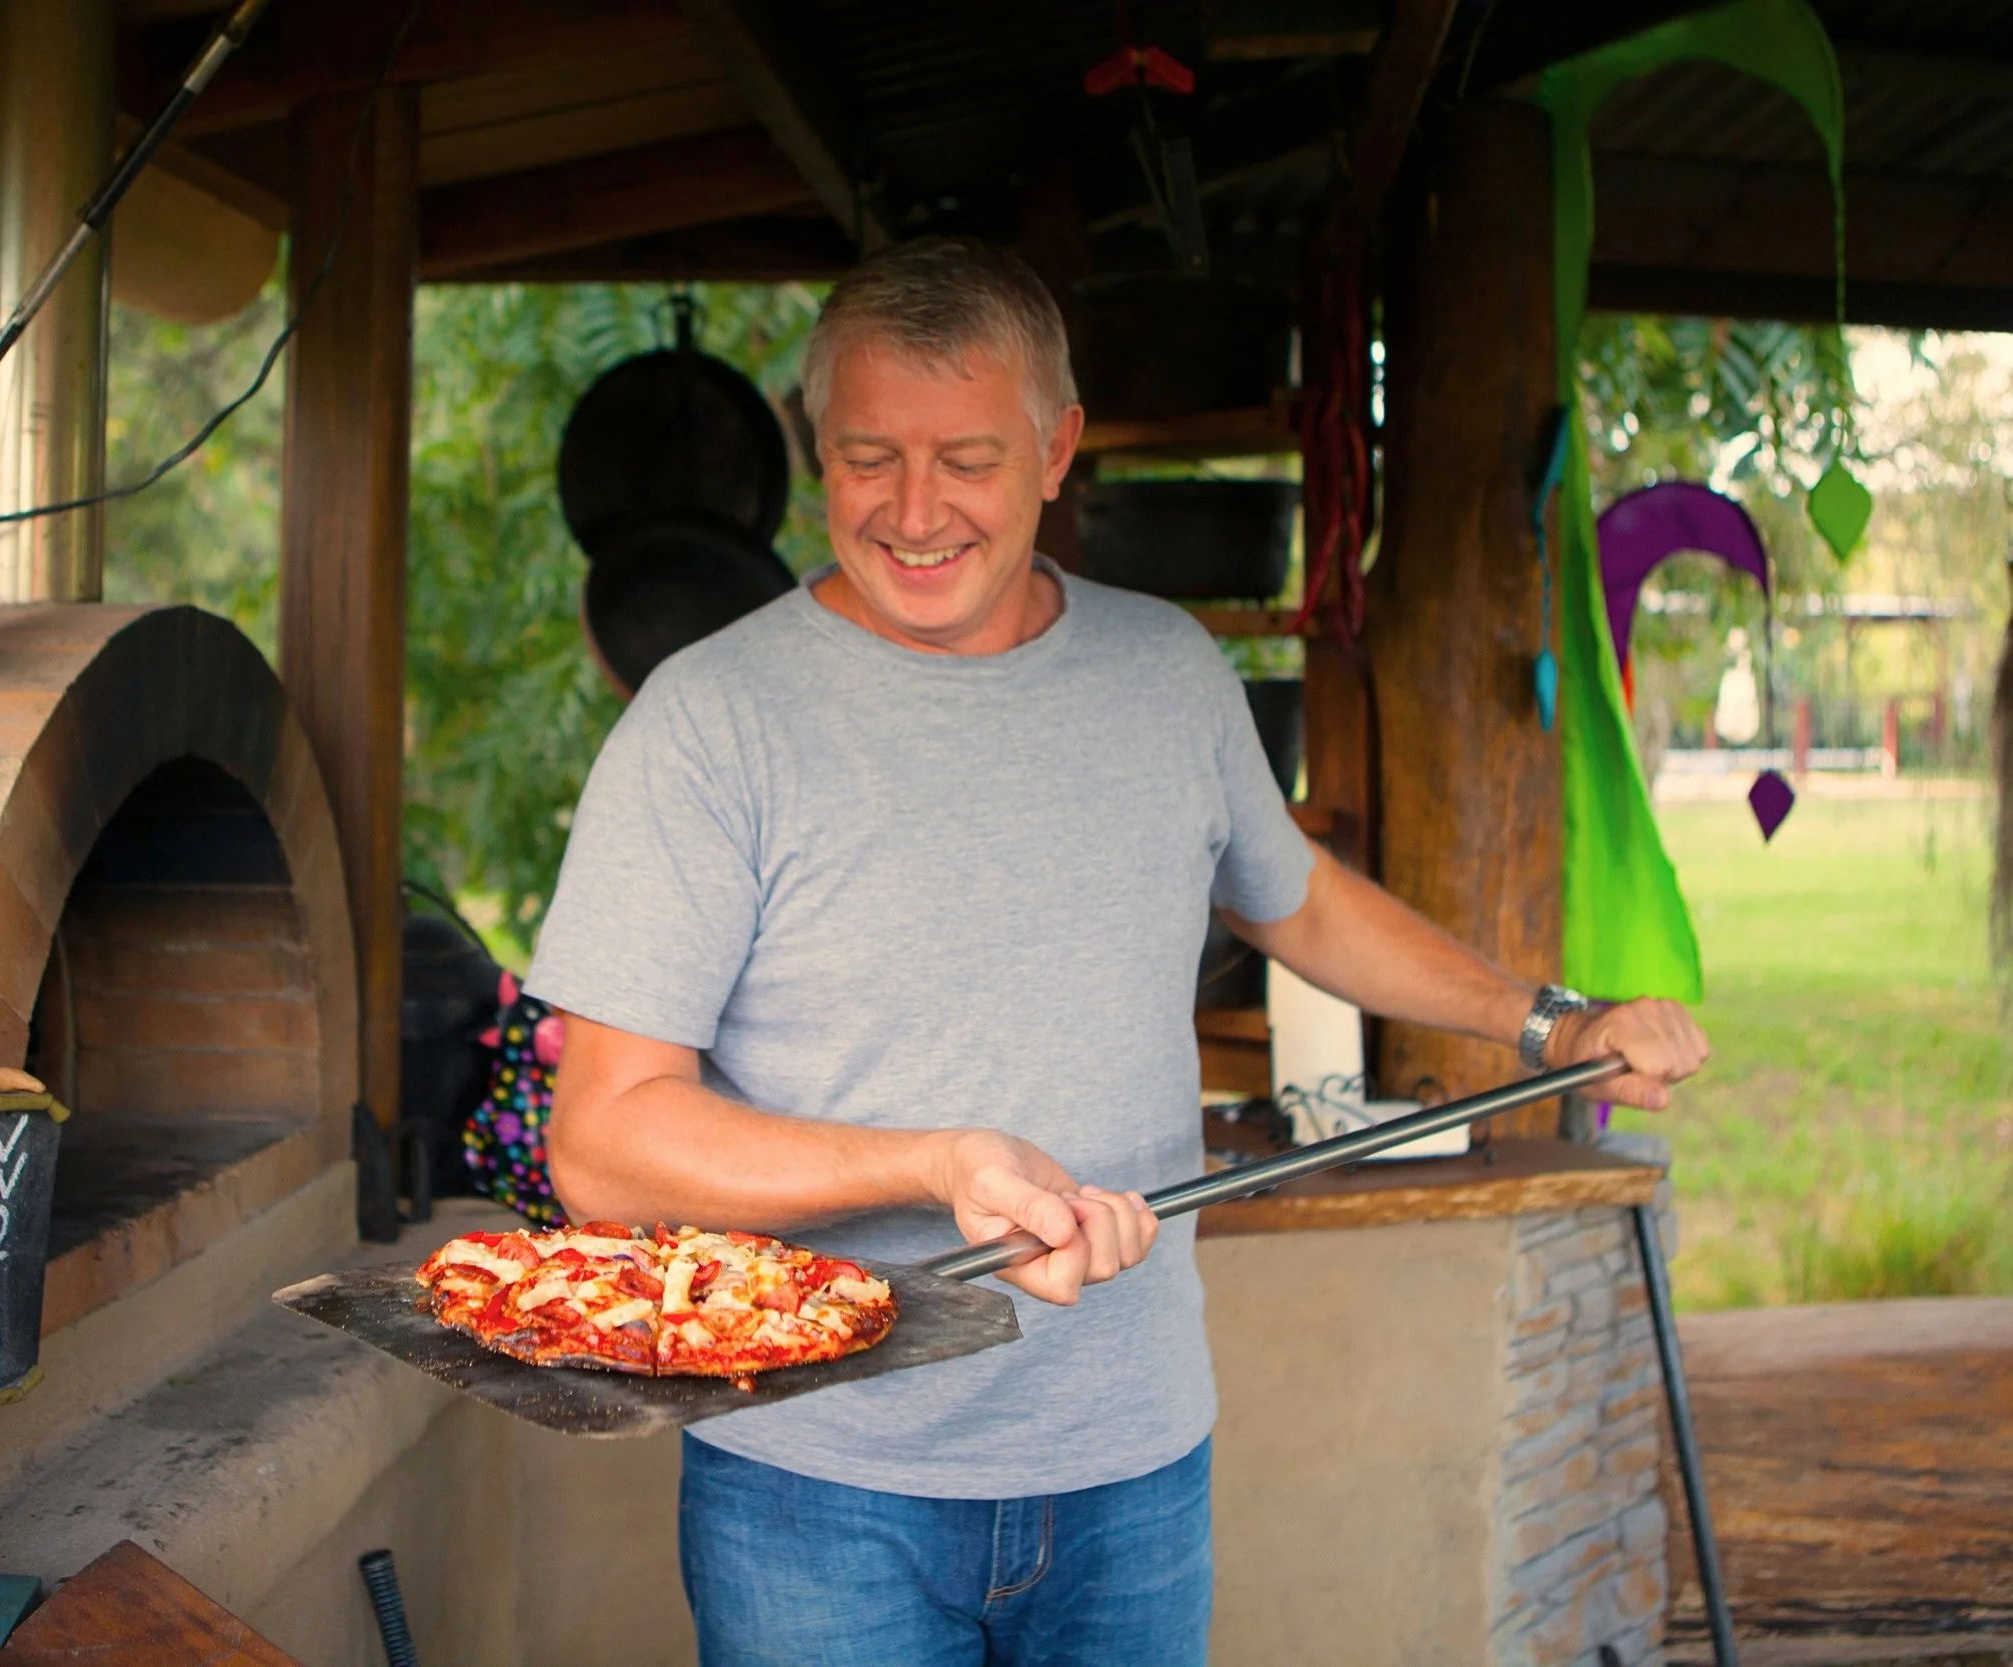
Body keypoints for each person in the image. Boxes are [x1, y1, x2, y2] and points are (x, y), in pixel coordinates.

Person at [526, 236, 1710, 1667]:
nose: (913, 511)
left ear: (1057, 448)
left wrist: (1553, 1024)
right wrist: (933, 1160)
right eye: (866, 457)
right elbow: (604, 1142)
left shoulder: (1167, 672)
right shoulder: (710, 720)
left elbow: (1303, 901)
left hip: (1132, 1460)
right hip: (816, 1474)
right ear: (812, 446)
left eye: (965, 457)